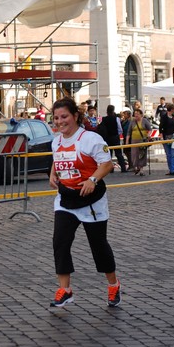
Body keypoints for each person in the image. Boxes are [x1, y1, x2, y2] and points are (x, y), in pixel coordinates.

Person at [48, 97, 121, 308]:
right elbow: (57, 159)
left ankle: (113, 285)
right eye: (56, 118)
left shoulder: (91, 139)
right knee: (60, 242)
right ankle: (65, 290)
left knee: (98, 246)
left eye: (64, 117)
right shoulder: (57, 140)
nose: (60, 121)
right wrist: (52, 174)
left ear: (76, 116)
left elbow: (106, 165)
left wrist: (92, 179)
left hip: (91, 201)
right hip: (66, 199)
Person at [99, 105, 127, 173]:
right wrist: (118, 134)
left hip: (107, 138)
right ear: (113, 110)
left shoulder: (104, 119)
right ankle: (123, 168)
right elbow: (120, 129)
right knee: (119, 153)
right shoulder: (116, 118)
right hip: (115, 137)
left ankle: (111, 169)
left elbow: (102, 129)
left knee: (109, 154)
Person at [125, 108, 151, 176]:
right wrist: (127, 141)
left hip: (142, 140)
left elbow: (150, 129)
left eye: (137, 114)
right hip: (134, 140)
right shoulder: (132, 121)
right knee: (134, 154)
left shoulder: (144, 121)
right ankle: (137, 167)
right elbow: (128, 132)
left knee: (142, 154)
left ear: (141, 115)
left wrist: (148, 135)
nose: (136, 115)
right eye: (135, 114)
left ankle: (141, 169)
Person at [159, 104, 174, 175]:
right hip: (166, 136)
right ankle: (170, 169)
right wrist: (161, 135)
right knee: (168, 154)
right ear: (171, 109)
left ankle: (173, 170)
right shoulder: (164, 117)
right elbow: (161, 126)